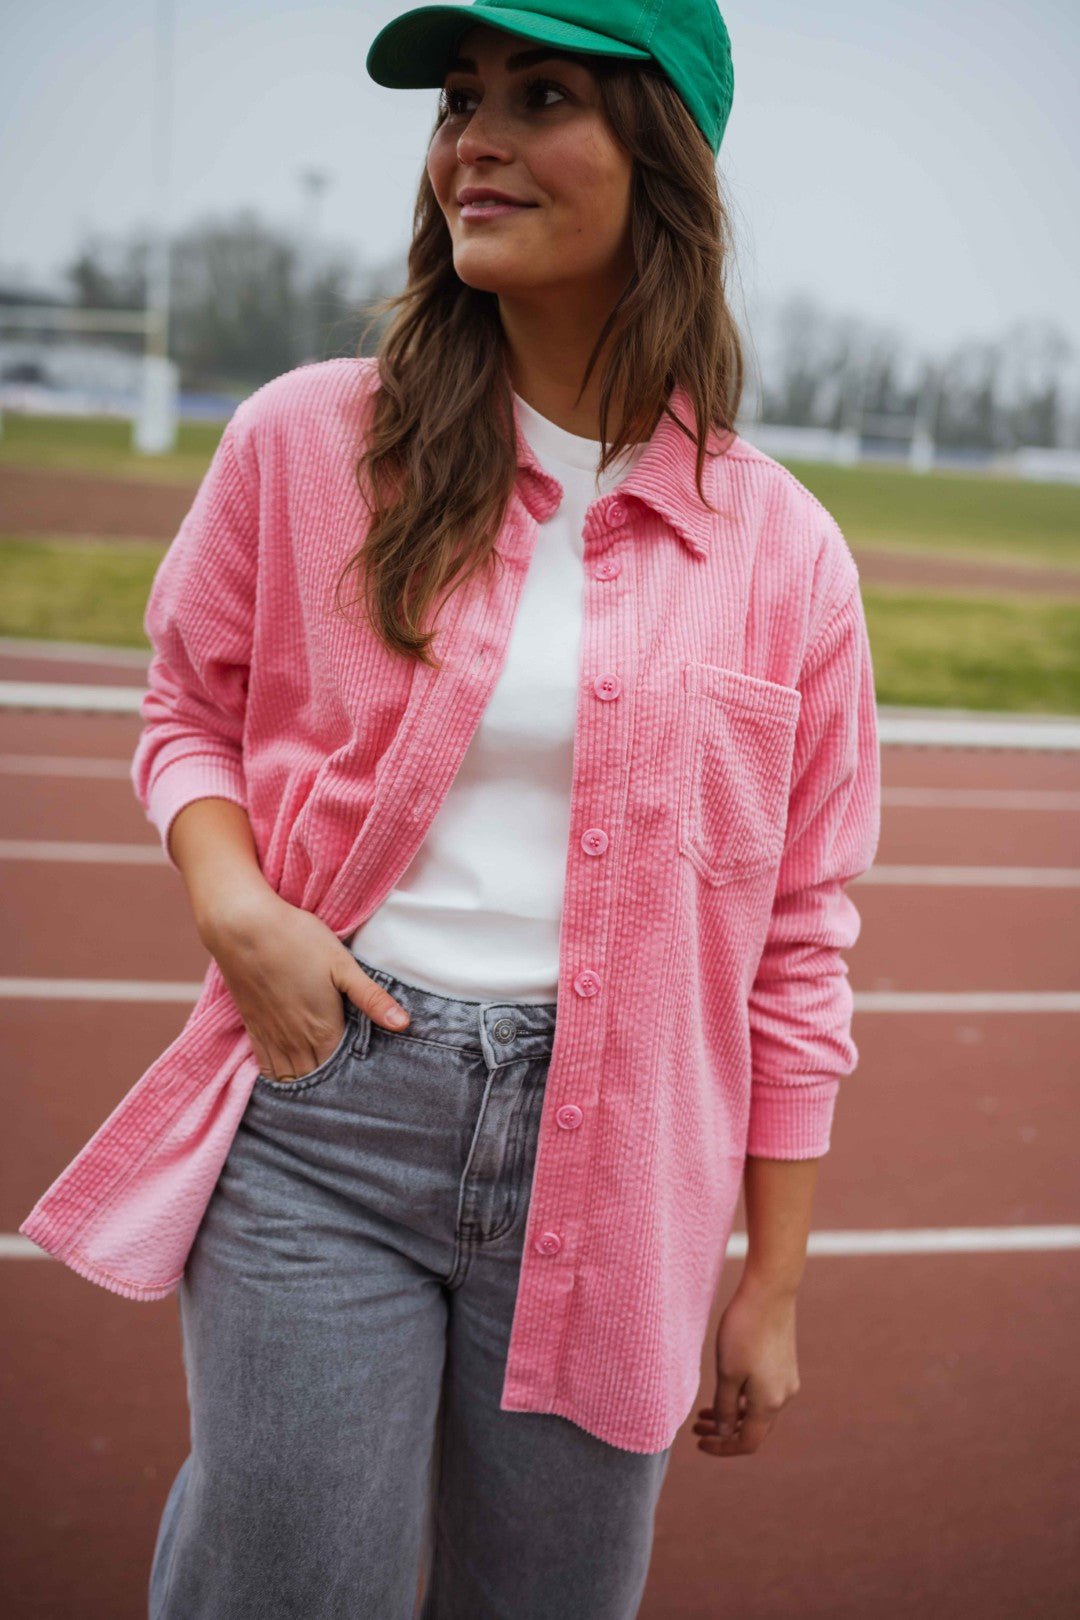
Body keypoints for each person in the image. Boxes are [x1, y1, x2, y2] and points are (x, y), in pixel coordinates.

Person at [18, 3, 880, 1617]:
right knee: (281, 1590)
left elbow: (801, 942)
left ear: (664, 159)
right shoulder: (308, 442)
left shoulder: (788, 557)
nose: (470, 137)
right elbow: (187, 708)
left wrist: (774, 1279)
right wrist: (236, 909)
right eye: (457, 101)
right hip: (326, 1116)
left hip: (623, 1168)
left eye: (538, 96)